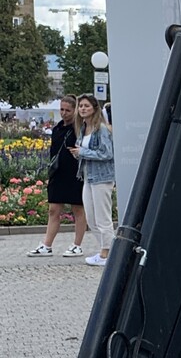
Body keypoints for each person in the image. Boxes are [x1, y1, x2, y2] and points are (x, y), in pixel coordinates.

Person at [27, 95, 88, 258]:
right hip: (58, 173)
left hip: (75, 173)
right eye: (62, 109)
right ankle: (47, 244)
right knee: (53, 209)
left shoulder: (80, 129)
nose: (64, 113)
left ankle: (77, 244)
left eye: (68, 110)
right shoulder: (57, 128)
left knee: (78, 209)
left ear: (75, 110)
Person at [69, 93, 115, 268]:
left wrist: (82, 152)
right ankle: (105, 249)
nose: (82, 109)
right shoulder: (83, 129)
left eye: (86, 106)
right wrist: (78, 153)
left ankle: (107, 253)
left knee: (103, 217)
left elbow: (107, 153)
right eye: (81, 106)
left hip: (102, 178)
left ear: (94, 108)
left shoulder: (101, 129)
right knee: (91, 217)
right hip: (88, 176)